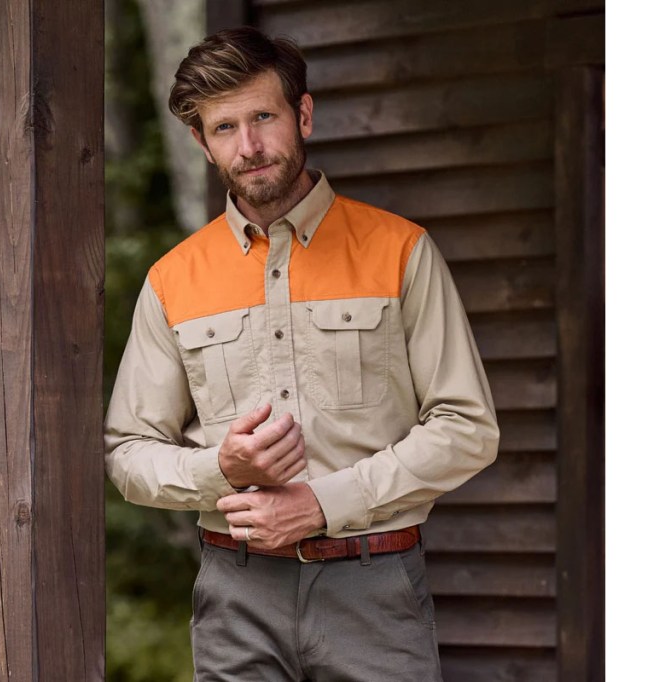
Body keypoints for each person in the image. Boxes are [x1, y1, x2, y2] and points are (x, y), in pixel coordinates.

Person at [105, 26, 500, 682]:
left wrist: (323, 504)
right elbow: (127, 455)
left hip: (373, 589)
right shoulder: (172, 280)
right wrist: (222, 469)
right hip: (237, 592)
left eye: (264, 117)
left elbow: (468, 429)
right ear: (202, 143)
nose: (250, 146)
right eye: (225, 127)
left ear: (304, 115)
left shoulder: (399, 251)